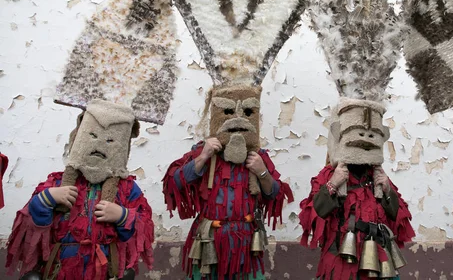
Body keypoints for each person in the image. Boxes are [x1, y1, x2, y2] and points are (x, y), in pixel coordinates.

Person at [5, 100, 154, 280]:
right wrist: (46, 198)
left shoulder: (127, 188)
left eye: (110, 140)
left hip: (104, 270)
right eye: (92, 136)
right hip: (61, 269)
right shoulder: (57, 182)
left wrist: (123, 216)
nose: (100, 145)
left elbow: (142, 227)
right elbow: (33, 224)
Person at [163, 136, 292, 280]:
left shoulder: (257, 155)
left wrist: (262, 172)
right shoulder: (203, 150)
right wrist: (203, 156)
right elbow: (175, 184)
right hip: (208, 240)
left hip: (246, 244)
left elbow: (273, 194)